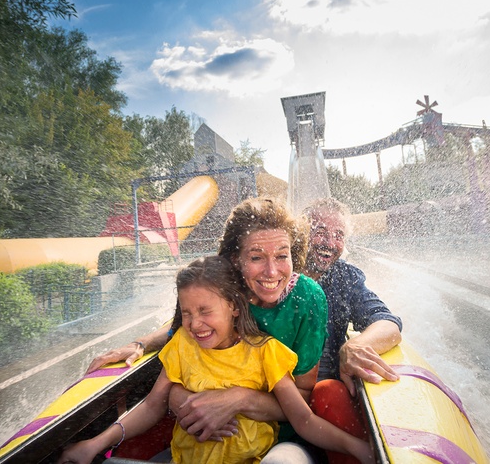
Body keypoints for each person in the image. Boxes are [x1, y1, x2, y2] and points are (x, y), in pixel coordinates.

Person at [56, 256, 372, 464]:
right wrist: (96, 443)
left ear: (234, 306)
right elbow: (153, 405)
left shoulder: (265, 352)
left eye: (206, 312)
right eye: (187, 313)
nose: (195, 324)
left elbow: (302, 419)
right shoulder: (182, 343)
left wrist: (358, 448)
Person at [86, 198, 330, 463]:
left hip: (279, 440)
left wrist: (237, 400)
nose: (271, 271)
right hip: (204, 443)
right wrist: (142, 344)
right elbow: (187, 325)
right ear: (236, 259)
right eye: (256, 257)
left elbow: (302, 401)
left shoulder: (307, 299)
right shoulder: (222, 287)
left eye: (282, 256)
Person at [302, 198, 402, 464]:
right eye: (320, 231)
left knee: (329, 393)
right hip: (280, 398)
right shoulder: (276, 272)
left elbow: (388, 323)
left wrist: (354, 346)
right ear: (301, 233)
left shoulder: (343, 277)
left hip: (321, 407)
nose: (329, 243)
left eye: (339, 235)